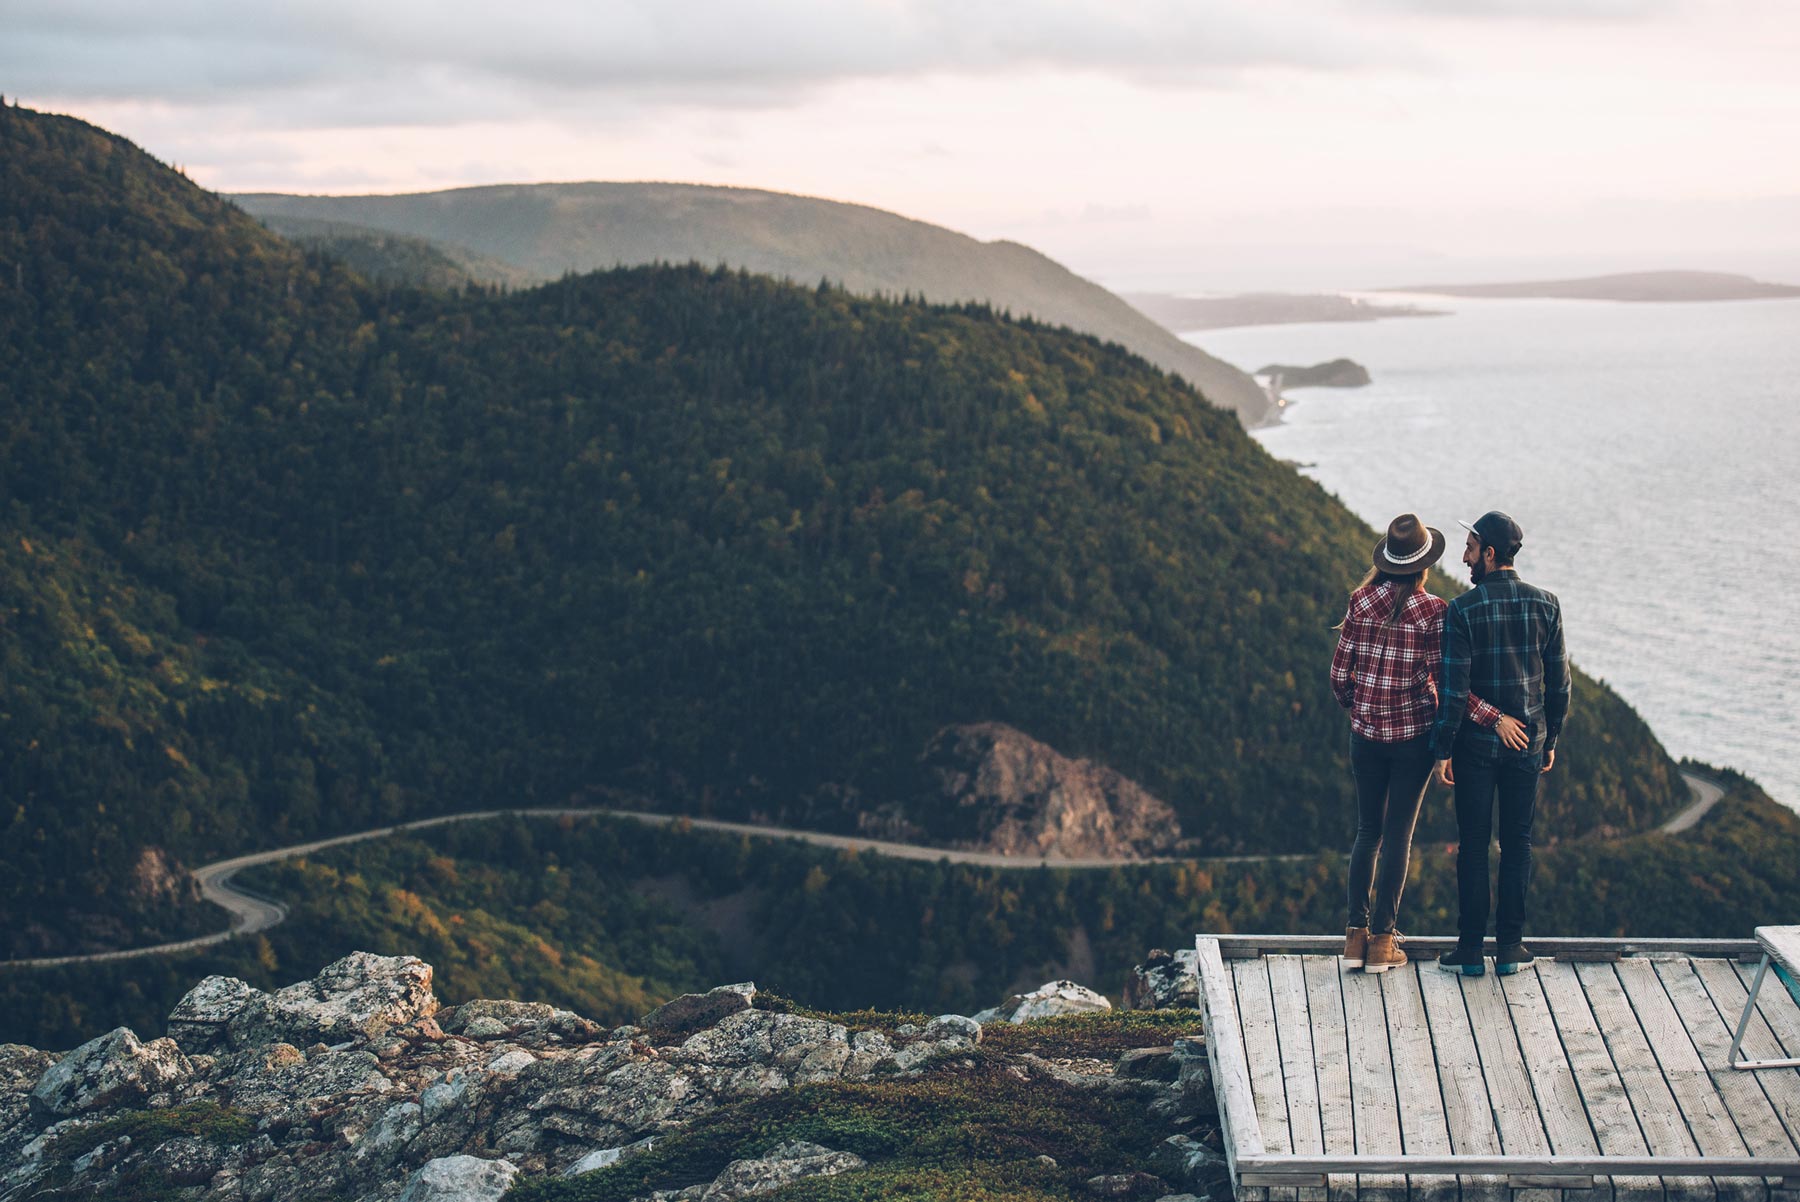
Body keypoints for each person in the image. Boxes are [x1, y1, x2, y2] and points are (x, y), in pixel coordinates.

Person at [1330, 514, 1527, 974]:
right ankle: (1383, 941)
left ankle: (1354, 937)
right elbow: (1449, 686)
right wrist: (1494, 718)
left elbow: (1340, 676)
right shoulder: (1434, 611)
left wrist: (1360, 709)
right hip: (1413, 741)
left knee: (1366, 833)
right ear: (1422, 566)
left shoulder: (1359, 601)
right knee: (1398, 834)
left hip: (1365, 737)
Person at [1429, 510, 1570, 978]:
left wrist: (1442, 749)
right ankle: (1510, 947)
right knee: (1518, 844)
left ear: (1489, 553)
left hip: (1474, 748)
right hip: (1528, 744)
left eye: (1470, 549)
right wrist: (1552, 735)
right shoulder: (1547, 604)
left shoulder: (1461, 610)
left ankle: (1469, 950)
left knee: (1473, 846)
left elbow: (1453, 688)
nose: (1465, 558)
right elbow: (1559, 683)